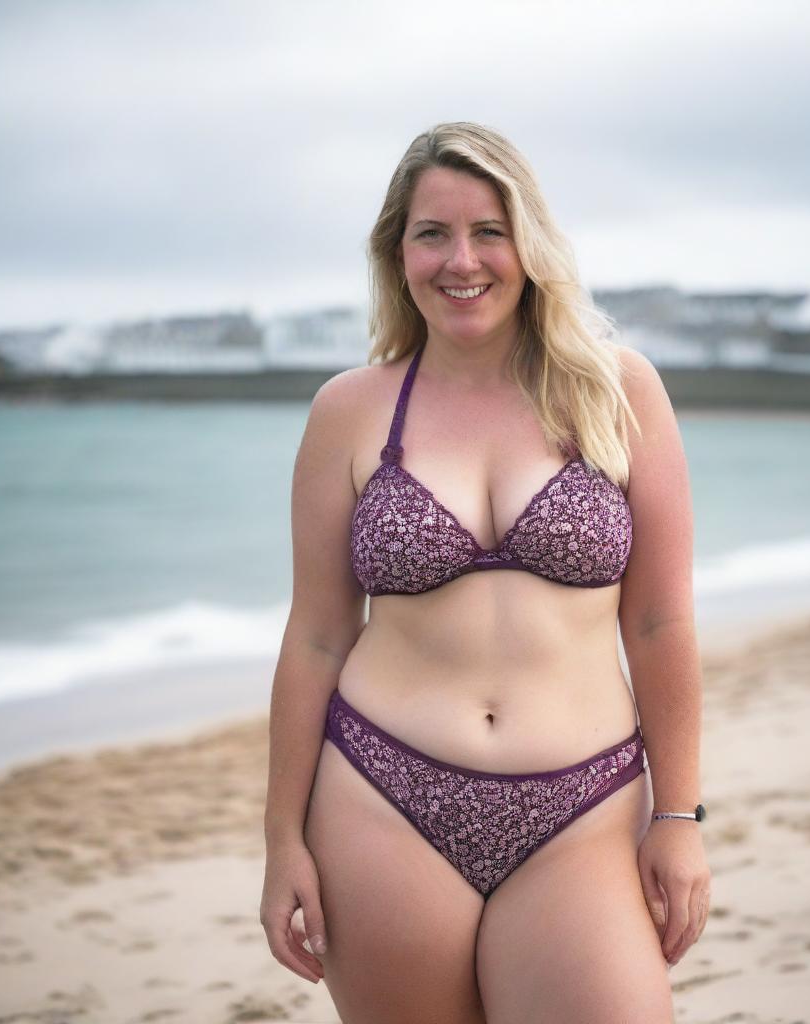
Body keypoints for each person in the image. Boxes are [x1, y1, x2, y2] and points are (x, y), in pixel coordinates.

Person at [260, 121, 710, 1023]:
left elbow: (659, 621)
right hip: (381, 799)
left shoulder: (620, 393)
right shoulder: (348, 411)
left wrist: (679, 818)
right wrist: (281, 843)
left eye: (488, 231)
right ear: (399, 252)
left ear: (529, 246)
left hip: (583, 809)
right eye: (432, 233)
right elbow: (315, 637)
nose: (460, 260)